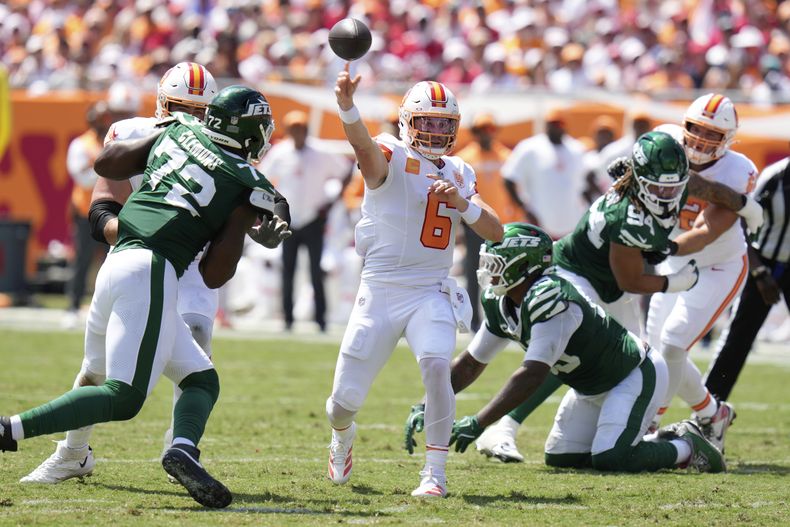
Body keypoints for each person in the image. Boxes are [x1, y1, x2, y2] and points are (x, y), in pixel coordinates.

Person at [404, 131, 765, 464]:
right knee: (571, 349)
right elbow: (632, 278)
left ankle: (692, 419)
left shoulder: (665, 184)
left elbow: (706, 191)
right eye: (659, 187)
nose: (669, 195)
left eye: (675, 187)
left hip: (609, 284)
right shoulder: (626, 215)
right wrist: (672, 281)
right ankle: (506, 426)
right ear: (638, 180)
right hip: (584, 277)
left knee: (634, 356)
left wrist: (745, 204)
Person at [1, 85, 283, 509]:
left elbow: (106, 163)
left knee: (200, 378)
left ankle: (182, 448)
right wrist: (243, 221)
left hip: (116, 262)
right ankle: (10, 430)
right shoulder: (248, 181)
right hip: (152, 270)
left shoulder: (173, 133)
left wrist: (161, 134)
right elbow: (213, 274)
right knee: (124, 396)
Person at [326, 68, 503, 498]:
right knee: (341, 403)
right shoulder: (391, 151)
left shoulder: (460, 171)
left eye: (444, 122)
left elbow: (496, 230)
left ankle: (435, 474)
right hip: (383, 288)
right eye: (427, 120)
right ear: (408, 121)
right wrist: (348, 108)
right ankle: (342, 435)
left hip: (430, 289)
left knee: (438, 366)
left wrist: (462, 202)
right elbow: (364, 149)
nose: (436, 129)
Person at [448, 223, 725, 474]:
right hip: (589, 386)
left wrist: (479, 422)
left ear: (523, 265)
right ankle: (658, 440)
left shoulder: (550, 299)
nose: (488, 270)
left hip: (633, 374)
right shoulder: (502, 301)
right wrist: (431, 402)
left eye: (497, 263)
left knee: (612, 458)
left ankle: (687, 446)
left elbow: (531, 374)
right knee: (562, 457)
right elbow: (472, 362)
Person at [646, 94, 758, 452]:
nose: (700, 139)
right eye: (696, 129)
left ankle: (650, 421)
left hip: (717, 264)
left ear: (728, 139)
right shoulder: (664, 142)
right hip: (675, 258)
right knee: (659, 349)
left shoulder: (737, 169)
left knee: (674, 341)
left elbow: (708, 230)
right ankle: (713, 414)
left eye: (712, 134)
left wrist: (666, 247)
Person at [705, 155, 790, 402]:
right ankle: (709, 410)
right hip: (764, 262)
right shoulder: (776, 176)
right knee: (738, 340)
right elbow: (739, 222)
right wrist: (758, 271)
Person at [258, 110, 351, 332]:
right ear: (289, 131)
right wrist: (274, 205)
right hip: (288, 219)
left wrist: (332, 202)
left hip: (313, 218)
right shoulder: (280, 153)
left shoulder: (321, 151)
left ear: (306, 130)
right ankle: (288, 318)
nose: (298, 133)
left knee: (315, 270)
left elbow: (346, 170)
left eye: (301, 129)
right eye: (294, 129)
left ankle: (320, 319)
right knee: (288, 269)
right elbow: (262, 178)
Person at [63, 94, 137, 328]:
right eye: (101, 117)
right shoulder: (81, 144)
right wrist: (106, 164)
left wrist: (106, 163)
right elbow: (82, 178)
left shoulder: (114, 143)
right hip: (86, 211)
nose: (104, 121)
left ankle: (112, 309)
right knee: (82, 260)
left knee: (114, 261)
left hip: (113, 211)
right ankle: (73, 307)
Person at [456, 112, 523, 331]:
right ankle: (474, 320)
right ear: (474, 132)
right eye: (481, 129)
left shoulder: (506, 156)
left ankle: (506, 318)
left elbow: (516, 190)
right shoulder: (465, 158)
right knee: (474, 271)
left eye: (490, 129)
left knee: (506, 273)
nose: (486, 134)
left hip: (503, 225)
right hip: (474, 223)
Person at [502, 107, 587, 239]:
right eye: (552, 124)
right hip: (538, 227)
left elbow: (582, 186)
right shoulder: (530, 147)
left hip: (571, 227)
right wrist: (524, 209)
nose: (556, 127)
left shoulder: (576, 149)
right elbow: (509, 179)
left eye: (559, 124)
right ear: (545, 125)